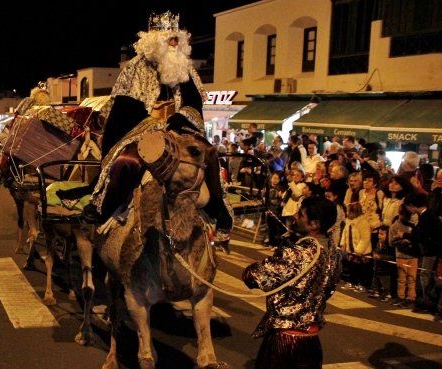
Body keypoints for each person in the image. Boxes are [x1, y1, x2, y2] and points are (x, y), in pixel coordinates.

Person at [91, 11, 232, 247]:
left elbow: (194, 103)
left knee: (208, 153)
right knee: (128, 162)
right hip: (142, 129)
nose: (174, 43)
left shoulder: (187, 71)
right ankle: (105, 210)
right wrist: (151, 123)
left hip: (181, 130)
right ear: (154, 41)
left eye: (177, 38)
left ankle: (220, 212)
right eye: (169, 38)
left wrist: (180, 118)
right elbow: (124, 109)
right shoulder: (135, 68)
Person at [243, 196, 340, 369]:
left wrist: (281, 253)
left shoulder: (297, 253)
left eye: (300, 214)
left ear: (314, 224)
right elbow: (329, 290)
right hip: (311, 340)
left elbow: (252, 276)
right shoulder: (334, 253)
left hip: (285, 339)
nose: (294, 216)